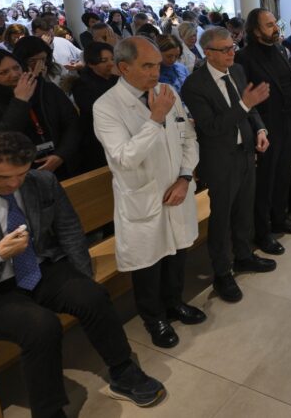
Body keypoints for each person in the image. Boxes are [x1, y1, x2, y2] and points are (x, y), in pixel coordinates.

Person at [0, 132, 167, 415]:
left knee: (91, 295)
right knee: (41, 326)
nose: (13, 184)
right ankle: (48, 411)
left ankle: (123, 372)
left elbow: (69, 228)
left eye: (21, 174)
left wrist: (82, 275)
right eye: (2, 177)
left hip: (38, 267)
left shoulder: (41, 181)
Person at [93, 37, 205, 349]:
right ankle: (153, 318)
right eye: (147, 66)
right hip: (142, 196)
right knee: (149, 264)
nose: (156, 72)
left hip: (177, 190)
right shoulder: (106, 107)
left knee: (177, 254)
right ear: (123, 68)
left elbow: (188, 137)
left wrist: (184, 177)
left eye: (157, 65)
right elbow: (126, 156)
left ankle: (175, 304)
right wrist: (156, 118)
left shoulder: (167, 94)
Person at [181, 28, 274, 304]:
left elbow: (252, 110)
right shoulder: (194, 86)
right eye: (225, 49)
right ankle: (222, 274)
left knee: (245, 209)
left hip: (245, 152)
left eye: (233, 47)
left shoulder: (237, 71)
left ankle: (244, 256)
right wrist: (245, 105)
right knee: (221, 219)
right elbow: (211, 127)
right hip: (220, 159)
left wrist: (260, 130)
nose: (232, 52)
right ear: (207, 52)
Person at [235, 9, 291, 256]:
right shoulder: (243, 58)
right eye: (269, 25)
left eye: (275, 23)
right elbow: (246, 100)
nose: (275, 28)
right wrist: (258, 129)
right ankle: (262, 232)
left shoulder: (278, 50)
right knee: (265, 182)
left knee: (284, 175)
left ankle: (280, 218)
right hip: (265, 126)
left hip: (287, 123)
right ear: (255, 31)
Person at [0, 47, 80, 179]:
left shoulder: (44, 88)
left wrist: (61, 155)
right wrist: (20, 101)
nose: (14, 74)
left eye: (16, 68)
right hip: (21, 173)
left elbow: (73, 122)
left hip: (64, 160)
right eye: (3, 72)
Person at [71, 42, 118, 173]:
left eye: (112, 59)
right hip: (97, 140)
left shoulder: (118, 78)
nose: (110, 63)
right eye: (104, 61)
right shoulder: (81, 85)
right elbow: (96, 108)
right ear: (91, 64)